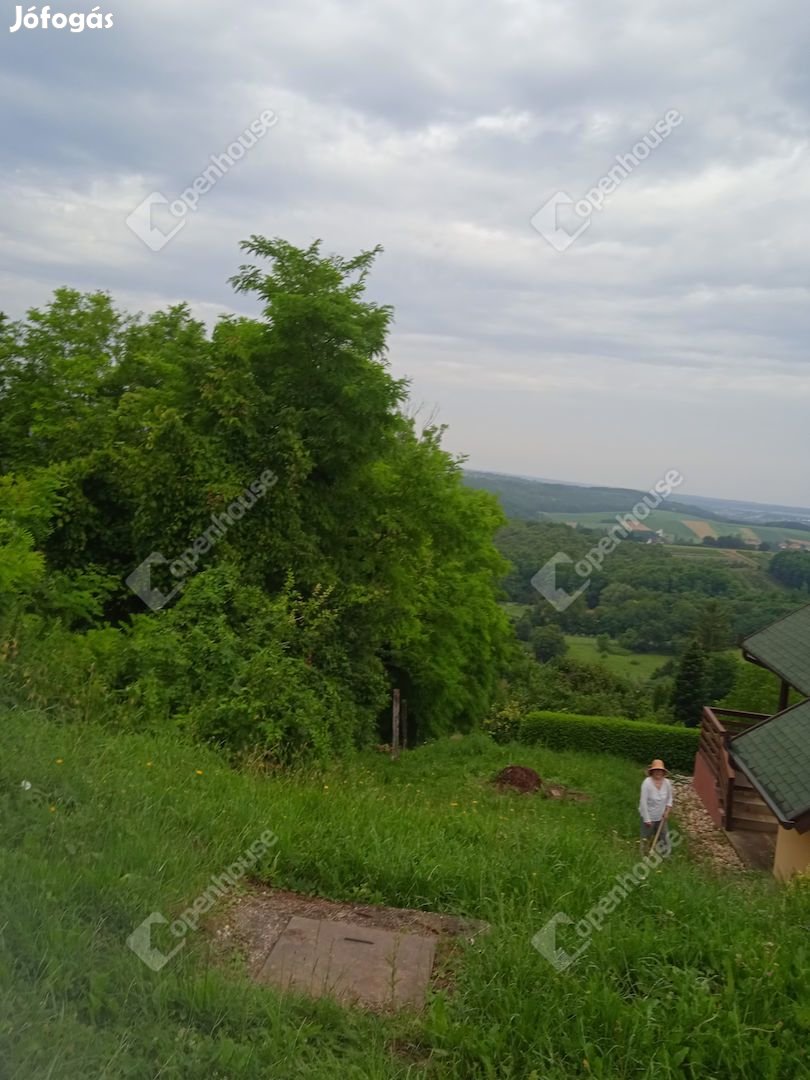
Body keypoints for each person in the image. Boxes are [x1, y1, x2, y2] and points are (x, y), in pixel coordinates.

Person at [639, 759, 673, 857]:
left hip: (661, 817)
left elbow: (669, 798)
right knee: (646, 837)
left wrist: (667, 811)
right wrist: (647, 819)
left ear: (663, 772)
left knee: (664, 837)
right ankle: (644, 855)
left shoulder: (667, 783)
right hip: (648, 816)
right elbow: (643, 802)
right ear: (652, 772)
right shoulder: (647, 783)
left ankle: (666, 856)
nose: (658, 772)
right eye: (656, 770)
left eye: (660, 770)